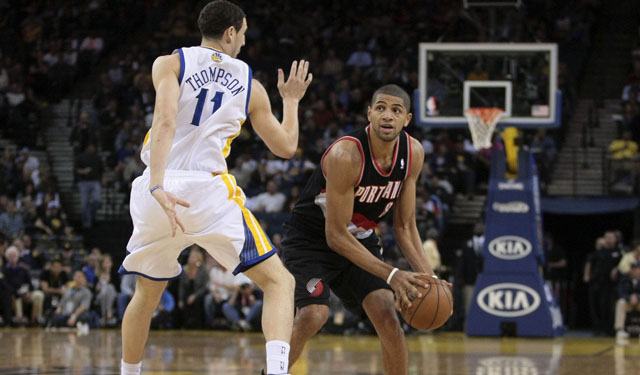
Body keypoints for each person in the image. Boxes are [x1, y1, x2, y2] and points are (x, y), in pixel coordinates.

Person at [118, 1, 312, 375]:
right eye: (243, 33)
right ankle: (276, 372)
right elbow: (286, 147)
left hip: (156, 189)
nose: (243, 41)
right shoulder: (250, 85)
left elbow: (165, 120)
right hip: (207, 192)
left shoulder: (169, 63)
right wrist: (291, 101)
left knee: (146, 295)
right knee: (279, 283)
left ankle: (129, 374)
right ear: (230, 32)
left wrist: (158, 185)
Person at [281, 84, 438, 375]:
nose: (387, 115)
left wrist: (430, 280)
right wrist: (393, 274)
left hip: (360, 239)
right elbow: (335, 235)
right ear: (369, 114)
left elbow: (404, 226)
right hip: (312, 241)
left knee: (388, 319)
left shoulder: (413, 153)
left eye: (396, 110)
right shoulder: (346, 155)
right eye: (380, 108)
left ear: (407, 119)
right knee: (314, 314)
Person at [614, 261, 640, 340]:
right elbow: (620, 292)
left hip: (638, 303)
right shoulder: (625, 279)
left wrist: (637, 297)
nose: (634, 270)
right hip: (628, 303)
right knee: (620, 302)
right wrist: (629, 298)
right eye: (632, 269)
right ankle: (620, 330)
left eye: (636, 269)